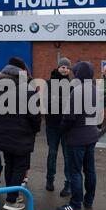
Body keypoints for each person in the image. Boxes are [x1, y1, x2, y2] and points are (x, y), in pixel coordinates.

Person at [0, 57, 41, 210]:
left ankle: (11, 195)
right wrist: (34, 130)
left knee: (9, 164)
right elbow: (35, 116)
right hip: (23, 134)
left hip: (3, 132)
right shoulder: (27, 89)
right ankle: (11, 200)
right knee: (19, 166)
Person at [57, 61, 99, 210]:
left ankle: (75, 204)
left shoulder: (78, 91)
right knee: (90, 170)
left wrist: (61, 130)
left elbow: (69, 117)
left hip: (77, 138)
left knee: (75, 172)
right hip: (91, 135)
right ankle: (89, 200)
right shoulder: (95, 89)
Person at [45, 57, 72, 197]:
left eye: (67, 67)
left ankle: (68, 184)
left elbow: (72, 104)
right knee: (52, 153)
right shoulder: (49, 83)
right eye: (63, 66)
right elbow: (47, 103)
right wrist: (62, 101)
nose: (65, 69)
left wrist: (57, 100)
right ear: (58, 67)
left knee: (68, 156)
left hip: (67, 126)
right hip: (52, 125)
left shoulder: (72, 84)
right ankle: (50, 180)